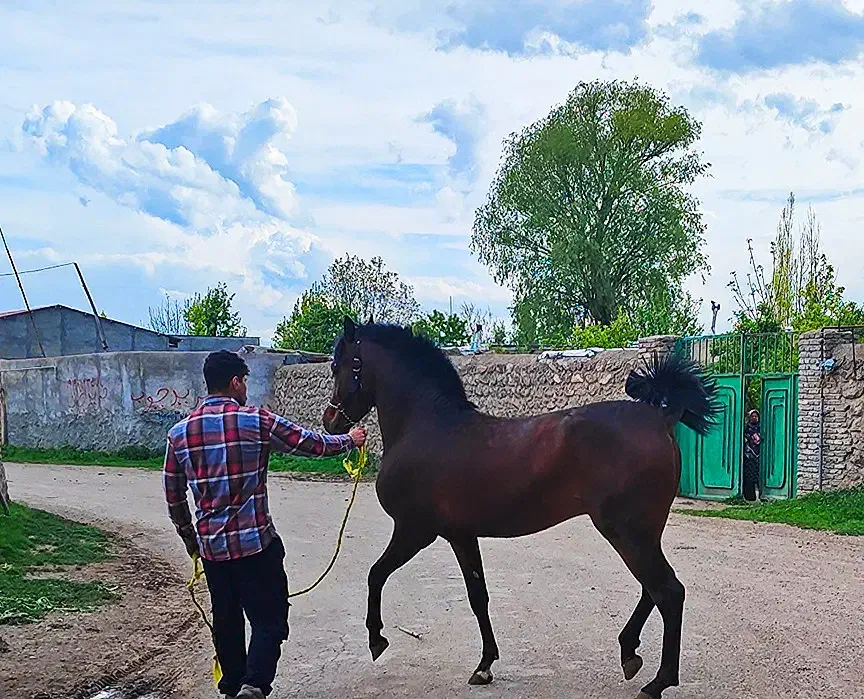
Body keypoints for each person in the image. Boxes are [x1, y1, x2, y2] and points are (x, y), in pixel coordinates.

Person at [163, 350, 366, 699]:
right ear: (235, 382)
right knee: (270, 619)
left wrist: (191, 540)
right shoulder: (257, 421)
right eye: (245, 382)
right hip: (256, 546)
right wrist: (351, 439)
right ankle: (254, 685)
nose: (246, 389)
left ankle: (231, 688)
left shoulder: (179, 435)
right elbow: (311, 444)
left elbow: (174, 499)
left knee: (226, 622)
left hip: (213, 552)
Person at [743, 409, 761, 502]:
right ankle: (750, 496)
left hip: (759, 454)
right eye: (752, 416)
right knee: (749, 476)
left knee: (759, 475)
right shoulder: (746, 428)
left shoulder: (761, 427)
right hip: (749, 454)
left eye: (756, 416)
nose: (754, 418)